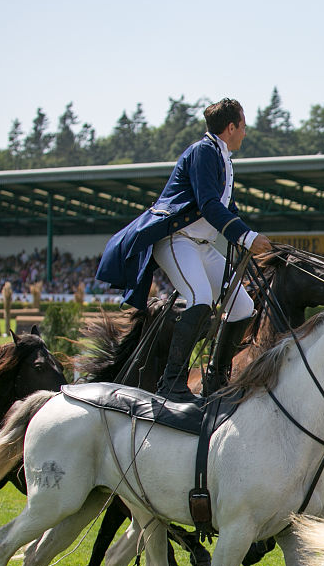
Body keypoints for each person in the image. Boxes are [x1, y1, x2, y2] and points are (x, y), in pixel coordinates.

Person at [96, 98, 272, 403]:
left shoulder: (224, 157)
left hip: (202, 246)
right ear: (231, 127)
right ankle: (171, 381)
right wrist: (246, 237)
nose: (245, 132)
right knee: (200, 298)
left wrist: (250, 239)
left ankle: (216, 379)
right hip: (178, 241)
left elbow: (228, 209)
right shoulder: (204, 151)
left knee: (242, 307)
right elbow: (208, 205)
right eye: (243, 126)